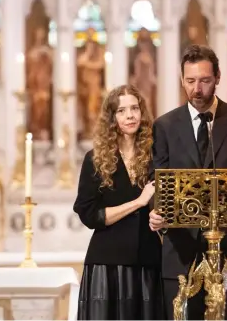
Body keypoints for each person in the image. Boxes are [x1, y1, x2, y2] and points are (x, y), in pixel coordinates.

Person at [148, 44, 227, 320]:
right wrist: (156, 213)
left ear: (218, 78)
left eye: (204, 80)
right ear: (181, 80)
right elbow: (159, 181)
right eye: (190, 81)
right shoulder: (164, 125)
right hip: (181, 246)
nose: (197, 89)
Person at [73, 85, 164, 320]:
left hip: (148, 260)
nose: (130, 115)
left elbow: (168, 203)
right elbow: (90, 215)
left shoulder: (157, 156)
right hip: (107, 265)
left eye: (135, 108)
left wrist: (161, 217)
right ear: (112, 117)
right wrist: (138, 202)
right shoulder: (94, 159)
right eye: (122, 110)